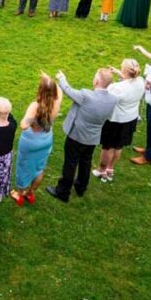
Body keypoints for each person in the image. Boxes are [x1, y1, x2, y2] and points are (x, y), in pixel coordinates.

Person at [46, 69, 117, 202]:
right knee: (86, 162)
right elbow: (109, 117)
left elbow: (68, 90)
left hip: (76, 136)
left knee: (70, 163)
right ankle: (81, 188)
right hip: (93, 137)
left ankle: (63, 192)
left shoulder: (86, 95)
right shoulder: (113, 99)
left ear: (96, 81)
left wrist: (61, 78)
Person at [11, 74, 62, 206]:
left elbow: (23, 125)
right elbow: (59, 91)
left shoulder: (35, 106)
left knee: (24, 167)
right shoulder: (57, 103)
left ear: (40, 90)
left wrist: (31, 119)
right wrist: (49, 80)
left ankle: (19, 194)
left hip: (31, 141)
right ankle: (30, 193)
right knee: (39, 168)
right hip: (46, 140)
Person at [93, 59, 145, 182]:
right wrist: (118, 73)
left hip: (115, 121)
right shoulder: (140, 81)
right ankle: (110, 169)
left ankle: (101, 170)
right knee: (118, 146)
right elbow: (129, 80)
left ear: (125, 70)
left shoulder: (116, 88)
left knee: (108, 147)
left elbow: (103, 95)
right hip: (130, 118)